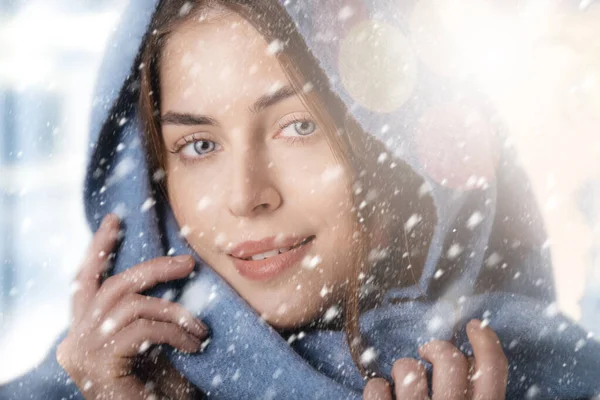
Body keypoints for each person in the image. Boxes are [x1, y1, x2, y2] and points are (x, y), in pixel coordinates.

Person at [1, 0, 599, 399]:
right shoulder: (91, 381)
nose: (246, 196)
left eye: (301, 126)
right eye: (199, 144)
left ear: (401, 155)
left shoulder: (553, 375)